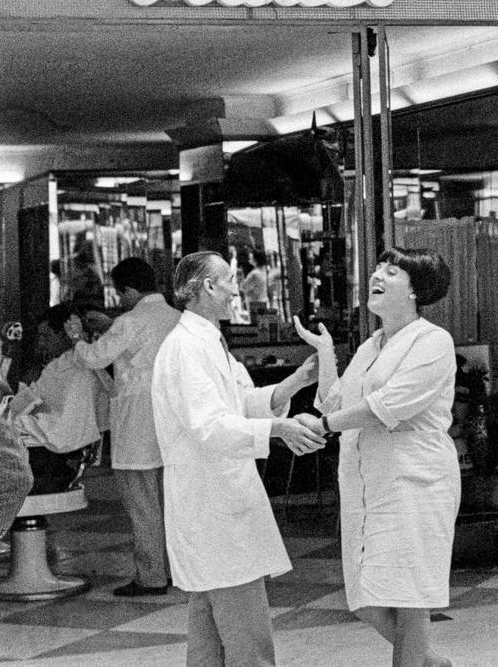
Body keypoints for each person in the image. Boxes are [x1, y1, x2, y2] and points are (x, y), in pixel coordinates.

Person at [151, 251, 326, 667]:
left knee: (209, 637)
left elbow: (240, 403)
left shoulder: (208, 341)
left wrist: (296, 381)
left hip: (219, 504)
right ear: (208, 287)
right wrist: (279, 430)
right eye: (228, 280)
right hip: (213, 507)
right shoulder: (184, 348)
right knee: (249, 643)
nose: (236, 289)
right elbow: (210, 427)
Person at [294, 246, 459, 667]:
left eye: (392, 271)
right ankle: (433, 663)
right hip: (366, 485)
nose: (377, 275)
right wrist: (327, 352)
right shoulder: (372, 345)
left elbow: (385, 407)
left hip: (413, 484)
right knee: (366, 598)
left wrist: (325, 427)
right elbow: (335, 403)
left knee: (409, 597)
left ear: (416, 292)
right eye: (379, 267)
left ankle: (421, 662)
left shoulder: (433, 342)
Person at [64, 257, 180, 597]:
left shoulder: (129, 321)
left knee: (141, 504)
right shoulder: (175, 318)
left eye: (120, 294)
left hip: (137, 426)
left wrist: (76, 339)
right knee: (168, 504)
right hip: (171, 425)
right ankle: (172, 569)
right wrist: (111, 322)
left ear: (129, 289)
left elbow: (94, 358)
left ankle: (150, 576)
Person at [9, 305, 110, 493]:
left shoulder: (80, 370)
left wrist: (16, 421)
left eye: (46, 337)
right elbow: (34, 396)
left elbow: (66, 428)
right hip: (47, 444)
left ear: (64, 334)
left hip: (57, 459)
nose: (41, 344)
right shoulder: (60, 364)